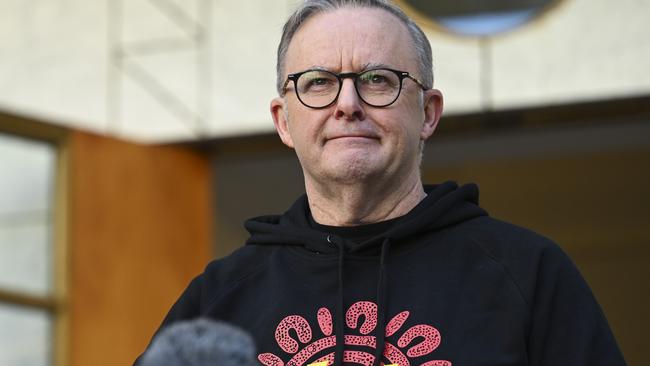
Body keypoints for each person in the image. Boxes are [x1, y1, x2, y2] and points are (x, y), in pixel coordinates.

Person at [137, 1, 626, 365]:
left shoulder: (527, 273)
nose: (347, 103)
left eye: (377, 79)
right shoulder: (218, 299)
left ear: (428, 113)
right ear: (283, 121)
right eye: (318, 82)